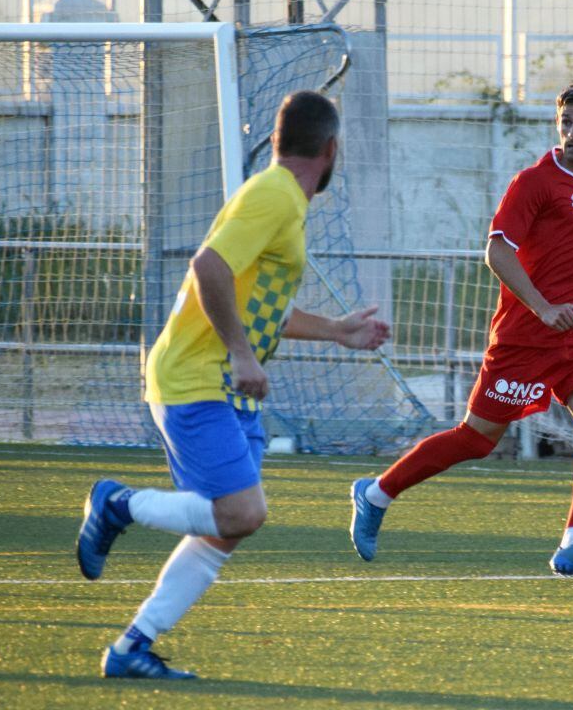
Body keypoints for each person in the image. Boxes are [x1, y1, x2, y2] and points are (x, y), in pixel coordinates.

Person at [74, 91, 390, 679]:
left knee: (224, 528)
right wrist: (244, 356)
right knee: (241, 513)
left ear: (278, 141)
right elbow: (208, 268)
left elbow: (255, 302)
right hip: (199, 379)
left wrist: (338, 332)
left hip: (227, 385)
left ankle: (130, 648)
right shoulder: (274, 195)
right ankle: (116, 504)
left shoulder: (283, 202)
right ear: (330, 149)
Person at [348, 84, 573, 577]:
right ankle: (376, 494)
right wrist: (543, 308)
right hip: (524, 338)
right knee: (476, 439)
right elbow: (497, 251)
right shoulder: (534, 183)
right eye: (566, 122)